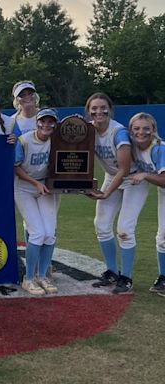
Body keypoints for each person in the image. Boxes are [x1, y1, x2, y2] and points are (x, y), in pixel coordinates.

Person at [87, 93, 147, 294]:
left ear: (110, 109)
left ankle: (126, 277)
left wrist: (106, 193)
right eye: (94, 108)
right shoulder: (89, 130)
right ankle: (112, 271)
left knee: (124, 229)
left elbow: (124, 168)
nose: (98, 112)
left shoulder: (118, 132)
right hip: (111, 175)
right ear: (89, 111)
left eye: (103, 107)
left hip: (132, 178)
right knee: (101, 225)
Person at [14, 109, 60, 295]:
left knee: (50, 233)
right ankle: (29, 278)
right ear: (37, 123)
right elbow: (16, 168)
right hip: (24, 187)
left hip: (46, 187)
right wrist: (35, 184)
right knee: (38, 232)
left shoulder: (57, 142)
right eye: (43, 121)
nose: (46, 125)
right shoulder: (24, 140)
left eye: (51, 122)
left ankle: (42, 275)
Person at [127, 112, 165, 296]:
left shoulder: (159, 148)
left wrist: (145, 175)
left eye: (146, 128)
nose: (141, 132)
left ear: (153, 130)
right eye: (136, 128)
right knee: (162, 237)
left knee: (164, 236)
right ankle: (163, 278)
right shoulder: (133, 146)